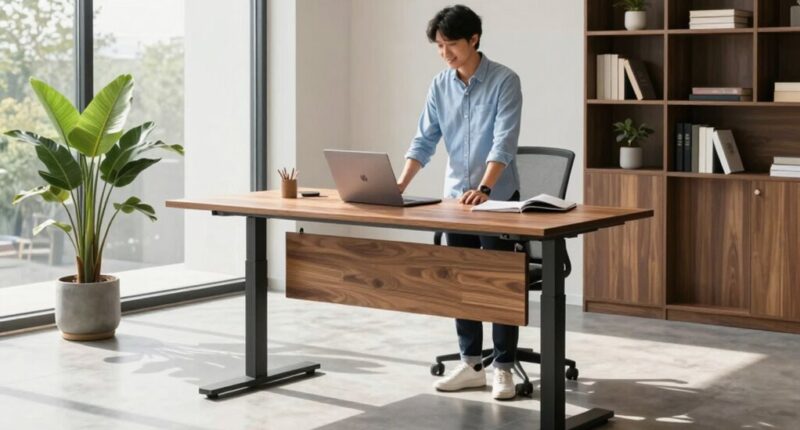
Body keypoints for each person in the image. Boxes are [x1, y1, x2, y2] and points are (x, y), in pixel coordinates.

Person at [396, 5, 523, 400]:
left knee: (497, 285)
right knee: (462, 282)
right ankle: (471, 364)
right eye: (439, 46)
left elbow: (504, 140)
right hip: (456, 201)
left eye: (451, 44)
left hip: (496, 199)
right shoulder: (440, 85)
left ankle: (503, 367)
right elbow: (424, 140)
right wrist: (398, 186)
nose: (445, 53)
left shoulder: (505, 80)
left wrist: (484, 189)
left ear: (474, 40)